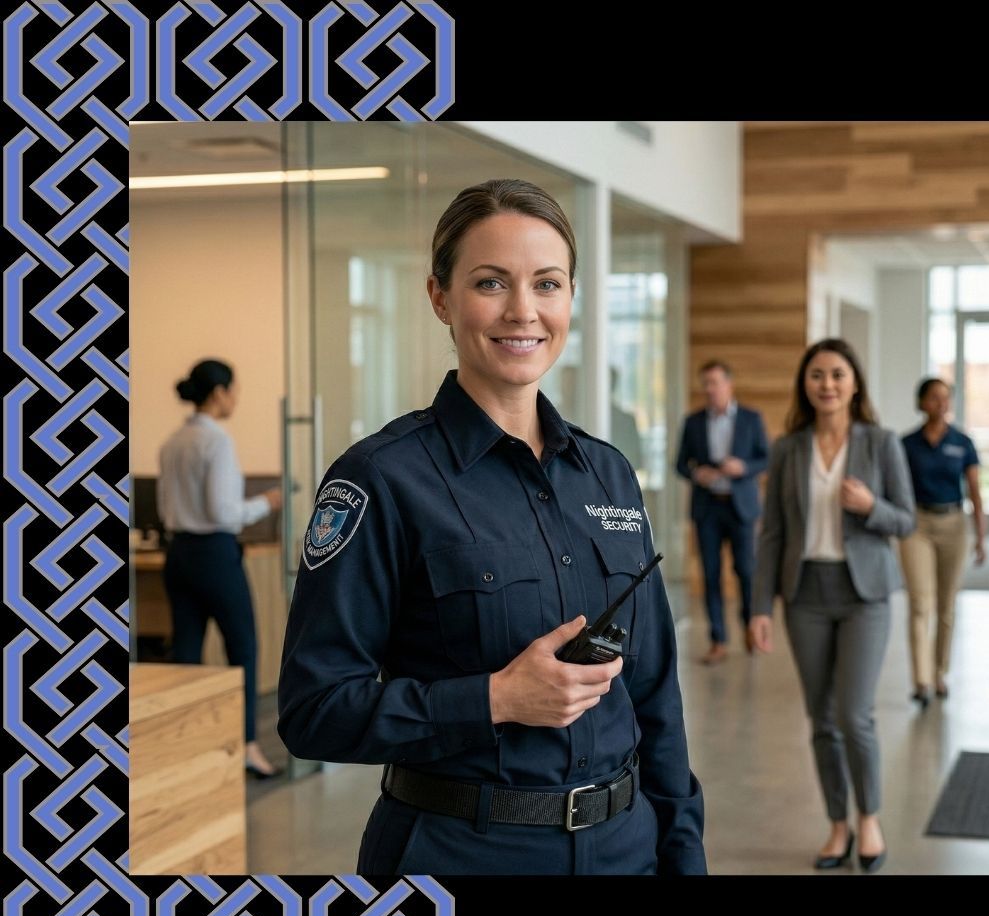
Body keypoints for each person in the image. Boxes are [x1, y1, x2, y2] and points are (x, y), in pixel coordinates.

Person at [277, 179, 706, 876]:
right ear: (440, 297)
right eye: (490, 282)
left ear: (570, 299)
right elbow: (313, 710)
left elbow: (654, 693)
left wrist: (683, 853)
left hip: (627, 847)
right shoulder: (381, 479)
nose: (522, 311)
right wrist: (494, 699)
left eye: (547, 283)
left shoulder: (610, 476)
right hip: (459, 852)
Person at [749, 339, 914, 873]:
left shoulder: (881, 443)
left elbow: (906, 520)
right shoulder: (788, 448)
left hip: (864, 593)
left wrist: (871, 507)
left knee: (854, 714)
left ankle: (869, 817)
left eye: (838, 375)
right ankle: (837, 823)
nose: (827, 384)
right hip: (806, 595)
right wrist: (760, 607)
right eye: (817, 375)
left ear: (854, 383)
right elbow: (772, 533)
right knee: (821, 719)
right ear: (806, 384)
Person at [157, 359, 284, 778]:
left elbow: (164, 508)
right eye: (234, 390)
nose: (236, 398)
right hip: (214, 554)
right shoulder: (217, 442)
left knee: (187, 653)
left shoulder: (173, 442)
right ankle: (246, 745)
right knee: (242, 649)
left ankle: (181, 746)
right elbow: (224, 512)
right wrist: (268, 501)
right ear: (218, 393)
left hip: (177, 554)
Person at [675, 361, 769, 664]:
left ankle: (748, 629)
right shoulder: (693, 421)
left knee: (746, 571)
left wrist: (743, 468)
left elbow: (765, 459)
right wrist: (696, 473)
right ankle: (718, 640)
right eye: (706, 383)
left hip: (741, 506)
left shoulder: (751, 419)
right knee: (711, 575)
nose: (710, 389)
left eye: (715, 382)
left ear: (729, 384)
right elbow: (680, 463)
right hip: (708, 507)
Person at [899, 377, 986, 706]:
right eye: (934, 397)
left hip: (953, 524)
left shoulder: (962, 442)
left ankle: (938, 673)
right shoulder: (906, 444)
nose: (941, 403)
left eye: (945, 398)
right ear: (921, 402)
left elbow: (974, 491)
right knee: (921, 603)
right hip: (917, 525)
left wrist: (979, 536)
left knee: (946, 605)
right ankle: (920, 680)